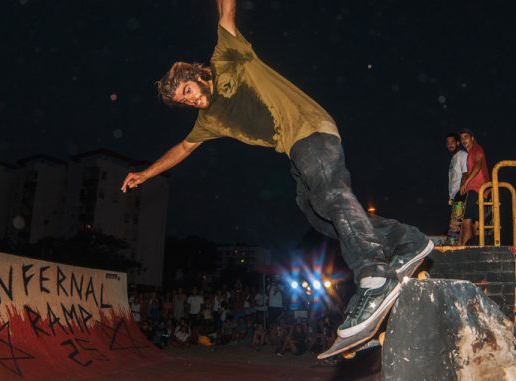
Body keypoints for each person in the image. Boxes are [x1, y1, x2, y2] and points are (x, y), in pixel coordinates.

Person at [121, 0, 432, 345]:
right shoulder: (208, 121)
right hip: (295, 150)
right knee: (319, 216)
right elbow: (183, 148)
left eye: (188, 91)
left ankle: (374, 274)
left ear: (197, 76)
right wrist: (147, 173)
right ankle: (408, 239)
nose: (189, 101)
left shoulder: (226, 59)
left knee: (329, 194)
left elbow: (225, 13)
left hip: (310, 128)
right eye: (183, 101)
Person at [459, 128, 490, 245]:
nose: (463, 140)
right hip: (481, 191)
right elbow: (466, 172)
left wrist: (467, 182)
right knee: (477, 223)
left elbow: (478, 164)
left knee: (466, 221)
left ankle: (465, 251)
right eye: (461, 138)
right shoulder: (469, 154)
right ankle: (479, 248)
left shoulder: (476, 148)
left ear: (472, 138)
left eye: (466, 137)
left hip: (476, 189)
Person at [446, 132, 468, 204]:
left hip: (460, 194)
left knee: (460, 215)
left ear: (458, 143)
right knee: (456, 215)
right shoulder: (453, 159)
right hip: (453, 197)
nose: (450, 145)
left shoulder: (462, 155)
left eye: (452, 142)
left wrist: (462, 187)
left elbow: (465, 172)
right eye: (448, 143)